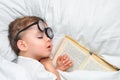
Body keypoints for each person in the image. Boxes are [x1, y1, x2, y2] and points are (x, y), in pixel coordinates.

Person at [8, 16, 73, 80]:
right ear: (22, 45)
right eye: (40, 37)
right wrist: (49, 66)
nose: (48, 39)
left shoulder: (26, 65)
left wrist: (58, 69)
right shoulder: (33, 67)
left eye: (48, 35)